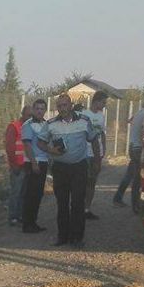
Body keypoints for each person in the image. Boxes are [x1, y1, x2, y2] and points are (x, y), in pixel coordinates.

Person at [39, 94, 100, 247]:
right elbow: (40, 143)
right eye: (59, 106)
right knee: (62, 202)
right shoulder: (51, 124)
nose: (62, 109)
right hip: (60, 169)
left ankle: (77, 238)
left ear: (71, 105)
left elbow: (94, 140)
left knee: (78, 202)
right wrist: (51, 150)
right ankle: (63, 236)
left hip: (79, 167)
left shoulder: (84, 121)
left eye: (65, 105)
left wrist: (97, 161)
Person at [20, 98, 49, 233]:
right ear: (33, 110)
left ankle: (33, 222)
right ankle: (27, 224)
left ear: (45, 110)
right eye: (37, 108)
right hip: (33, 162)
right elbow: (27, 145)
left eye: (42, 109)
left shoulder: (46, 124)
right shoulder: (28, 125)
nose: (39, 111)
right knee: (31, 194)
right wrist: (33, 163)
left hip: (43, 161)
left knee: (38, 194)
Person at [82, 91, 109, 219]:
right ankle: (79, 207)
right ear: (96, 101)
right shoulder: (84, 115)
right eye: (103, 102)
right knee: (83, 181)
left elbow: (102, 133)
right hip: (85, 153)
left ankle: (87, 209)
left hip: (97, 154)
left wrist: (104, 148)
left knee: (92, 181)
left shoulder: (101, 116)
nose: (104, 105)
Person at [6, 104, 32, 226]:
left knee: (24, 192)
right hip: (18, 165)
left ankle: (20, 215)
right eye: (28, 115)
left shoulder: (29, 127)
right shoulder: (14, 126)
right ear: (23, 114)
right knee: (16, 192)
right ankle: (13, 216)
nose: (30, 117)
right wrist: (14, 164)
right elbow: (10, 147)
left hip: (26, 165)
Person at [115, 105, 144, 206]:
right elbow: (143, 130)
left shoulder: (138, 113)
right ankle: (136, 204)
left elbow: (130, 121)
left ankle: (117, 198)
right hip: (138, 148)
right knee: (137, 178)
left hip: (133, 146)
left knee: (129, 175)